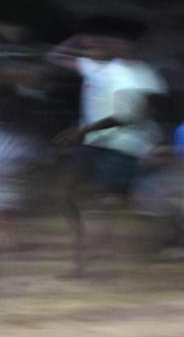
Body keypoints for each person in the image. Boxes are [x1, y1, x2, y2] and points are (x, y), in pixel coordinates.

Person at [46, 16, 169, 276]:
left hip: (124, 146)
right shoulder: (98, 67)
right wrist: (79, 38)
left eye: (114, 39)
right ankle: (86, 255)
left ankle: (84, 265)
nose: (106, 43)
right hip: (94, 142)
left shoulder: (141, 75)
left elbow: (126, 116)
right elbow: (53, 57)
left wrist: (82, 131)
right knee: (65, 195)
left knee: (105, 205)